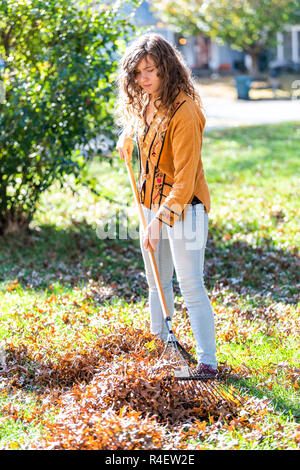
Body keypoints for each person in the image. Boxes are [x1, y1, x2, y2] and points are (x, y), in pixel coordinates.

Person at [116, 33, 217, 378]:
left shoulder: (186, 112)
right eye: (138, 73)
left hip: (185, 208)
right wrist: (127, 135)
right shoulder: (148, 101)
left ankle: (207, 363)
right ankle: (164, 344)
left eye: (151, 71)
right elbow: (143, 126)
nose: (144, 79)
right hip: (149, 201)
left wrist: (157, 223)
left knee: (189, 283)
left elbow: (185, 181)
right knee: (156, 280)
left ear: (167, 69)